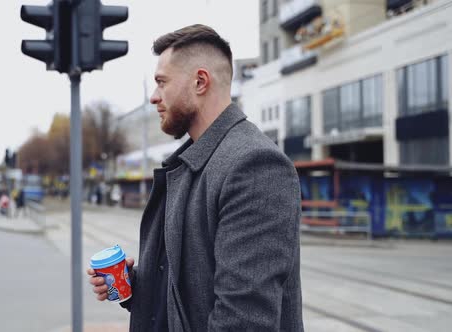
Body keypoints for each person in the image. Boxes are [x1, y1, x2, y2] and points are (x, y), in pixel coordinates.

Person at [88, 24, 303, 331]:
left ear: (200, 82)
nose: (154, 97)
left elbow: (243, 320)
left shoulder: (254, 165)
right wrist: (135, 287)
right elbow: (191, 291)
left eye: (162, 83)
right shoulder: (191, 163)